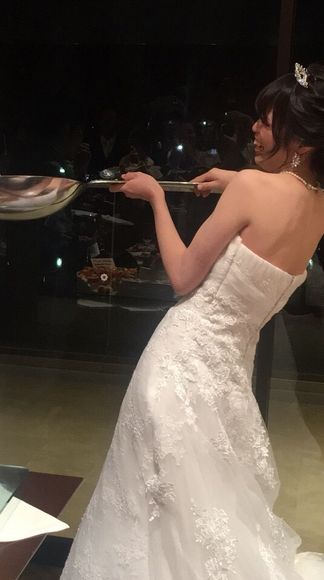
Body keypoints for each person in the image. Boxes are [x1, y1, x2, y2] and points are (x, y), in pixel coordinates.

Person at [61, 63, 324, 579]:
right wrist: (234, 180)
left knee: (147, 509)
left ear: (299, 139)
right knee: (200, 510)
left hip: (178, 364)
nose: (254, 129)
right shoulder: (317, 209)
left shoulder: (252, 188)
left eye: (266, 122)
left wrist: (156, 197)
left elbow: (182, 276)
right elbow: (280, 197)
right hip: (230, 378)